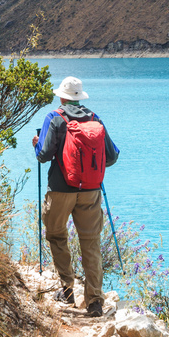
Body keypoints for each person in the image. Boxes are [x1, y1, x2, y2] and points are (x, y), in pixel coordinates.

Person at [32, 76, 119, 317]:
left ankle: (67, 289)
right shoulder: (94, 119)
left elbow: (44, 154)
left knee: (56, 235)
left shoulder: (55, 117)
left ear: (62, 96)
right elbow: (112, 157)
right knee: (90, 242)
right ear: (80, 97)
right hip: (91, 190)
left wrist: (37, 144)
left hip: (61, 189)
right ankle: (95, 301)